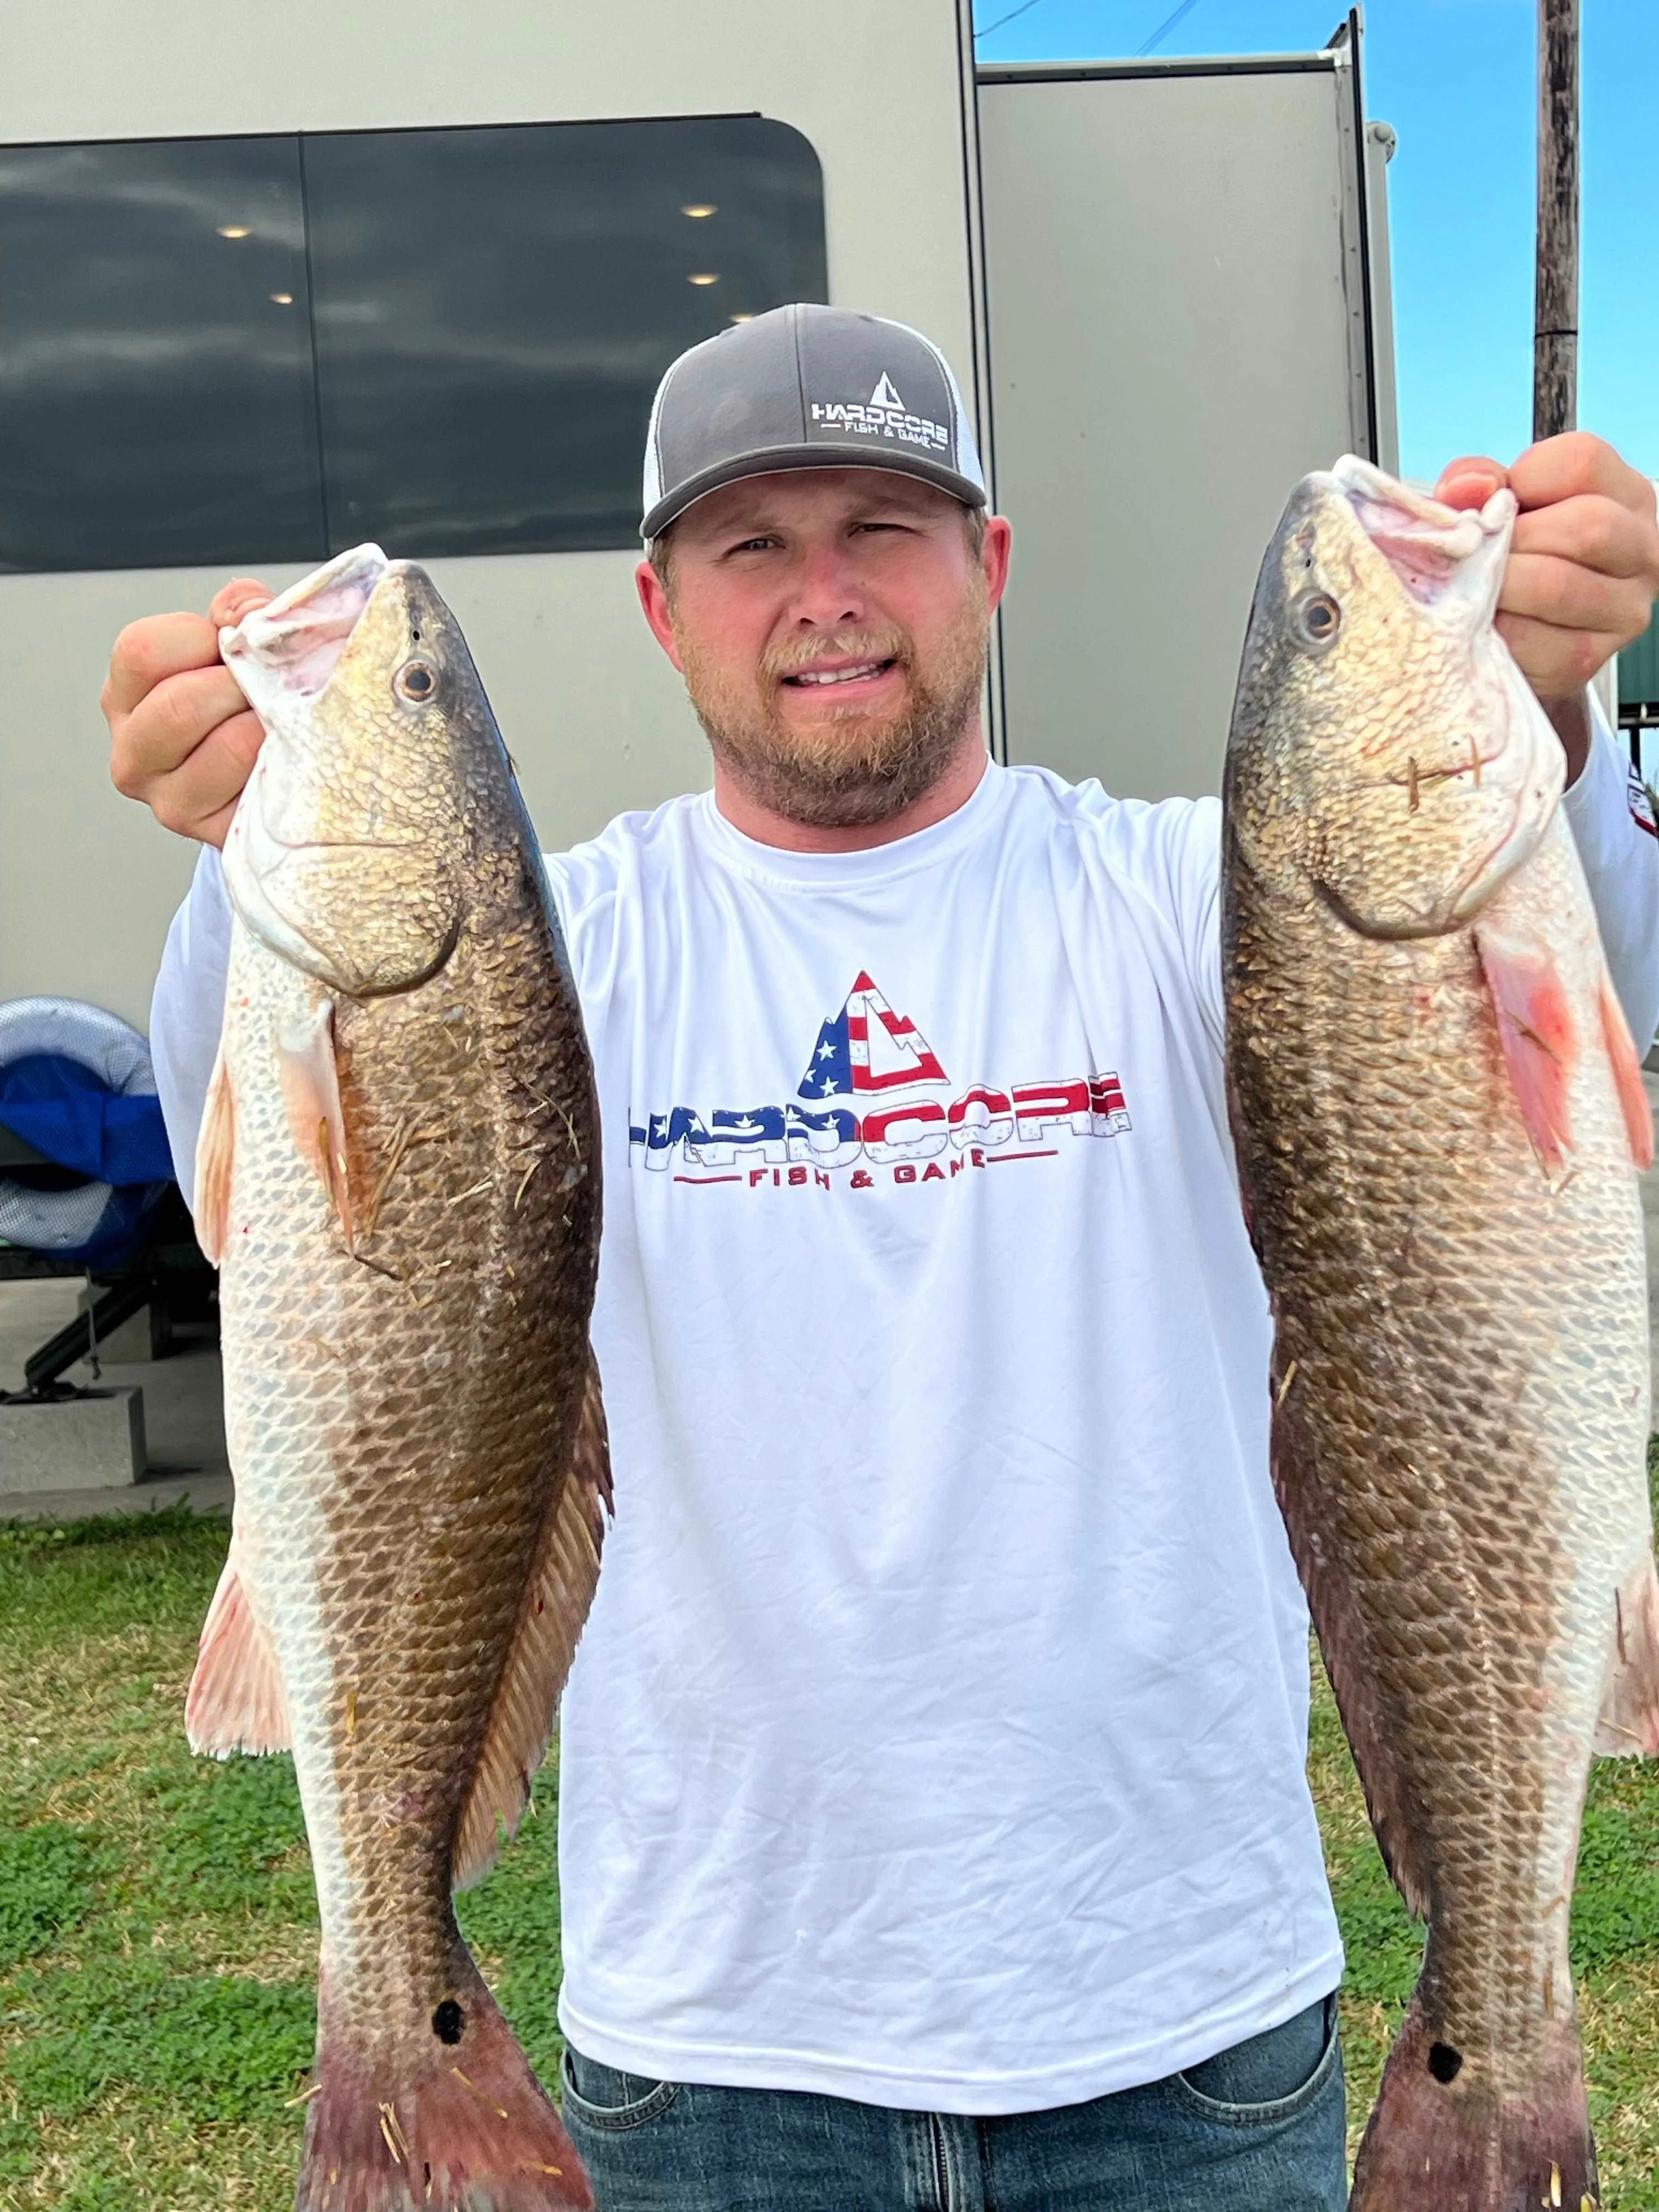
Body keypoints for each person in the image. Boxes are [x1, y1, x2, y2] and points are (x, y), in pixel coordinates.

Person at [105, 303, 1659, 2212]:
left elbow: (1594, 999)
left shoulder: (1201, 897)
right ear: (663, 606)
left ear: (987, 567)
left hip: (1181, 2029)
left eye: (884, 529)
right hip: (709, 2050)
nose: (825, 594)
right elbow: (251, 1156)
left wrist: (1552, 716)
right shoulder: (547, 953)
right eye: (756, 544)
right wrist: (232, 835)